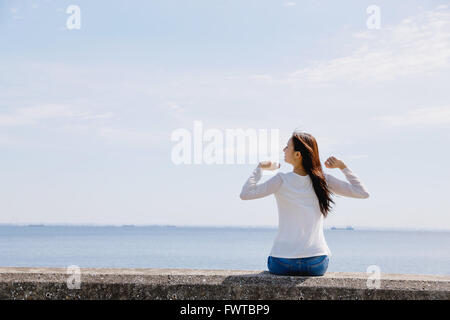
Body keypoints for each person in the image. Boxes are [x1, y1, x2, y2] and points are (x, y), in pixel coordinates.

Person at [239, 131, 370, 276]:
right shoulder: (323, 180)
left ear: (297, 155)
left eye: (287, 147)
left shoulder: (281, 180)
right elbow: (362, 192)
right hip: (316, 263)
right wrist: (342, 166)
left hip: (282, 262)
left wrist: (260, 168)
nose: (284, 150)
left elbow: (246, 194)